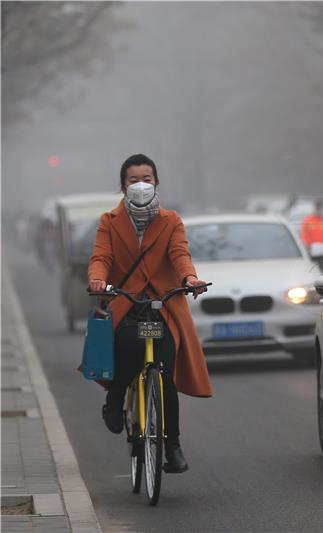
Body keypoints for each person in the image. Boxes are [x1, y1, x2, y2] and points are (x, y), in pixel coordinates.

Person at [87, 154, 211, 473]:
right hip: (128, 303)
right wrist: (98, 279)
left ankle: (172, 446)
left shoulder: (171, 220)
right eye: (133, 180)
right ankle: (115, 397)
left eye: (147, 178)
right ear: (122, 185)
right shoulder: (109, 221)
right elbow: (101, 256)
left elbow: (180, 254)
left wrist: (189, 278)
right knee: (128, 349)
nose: (141, 185)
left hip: (163, 306)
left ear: (156, 182)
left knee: (164, 374)